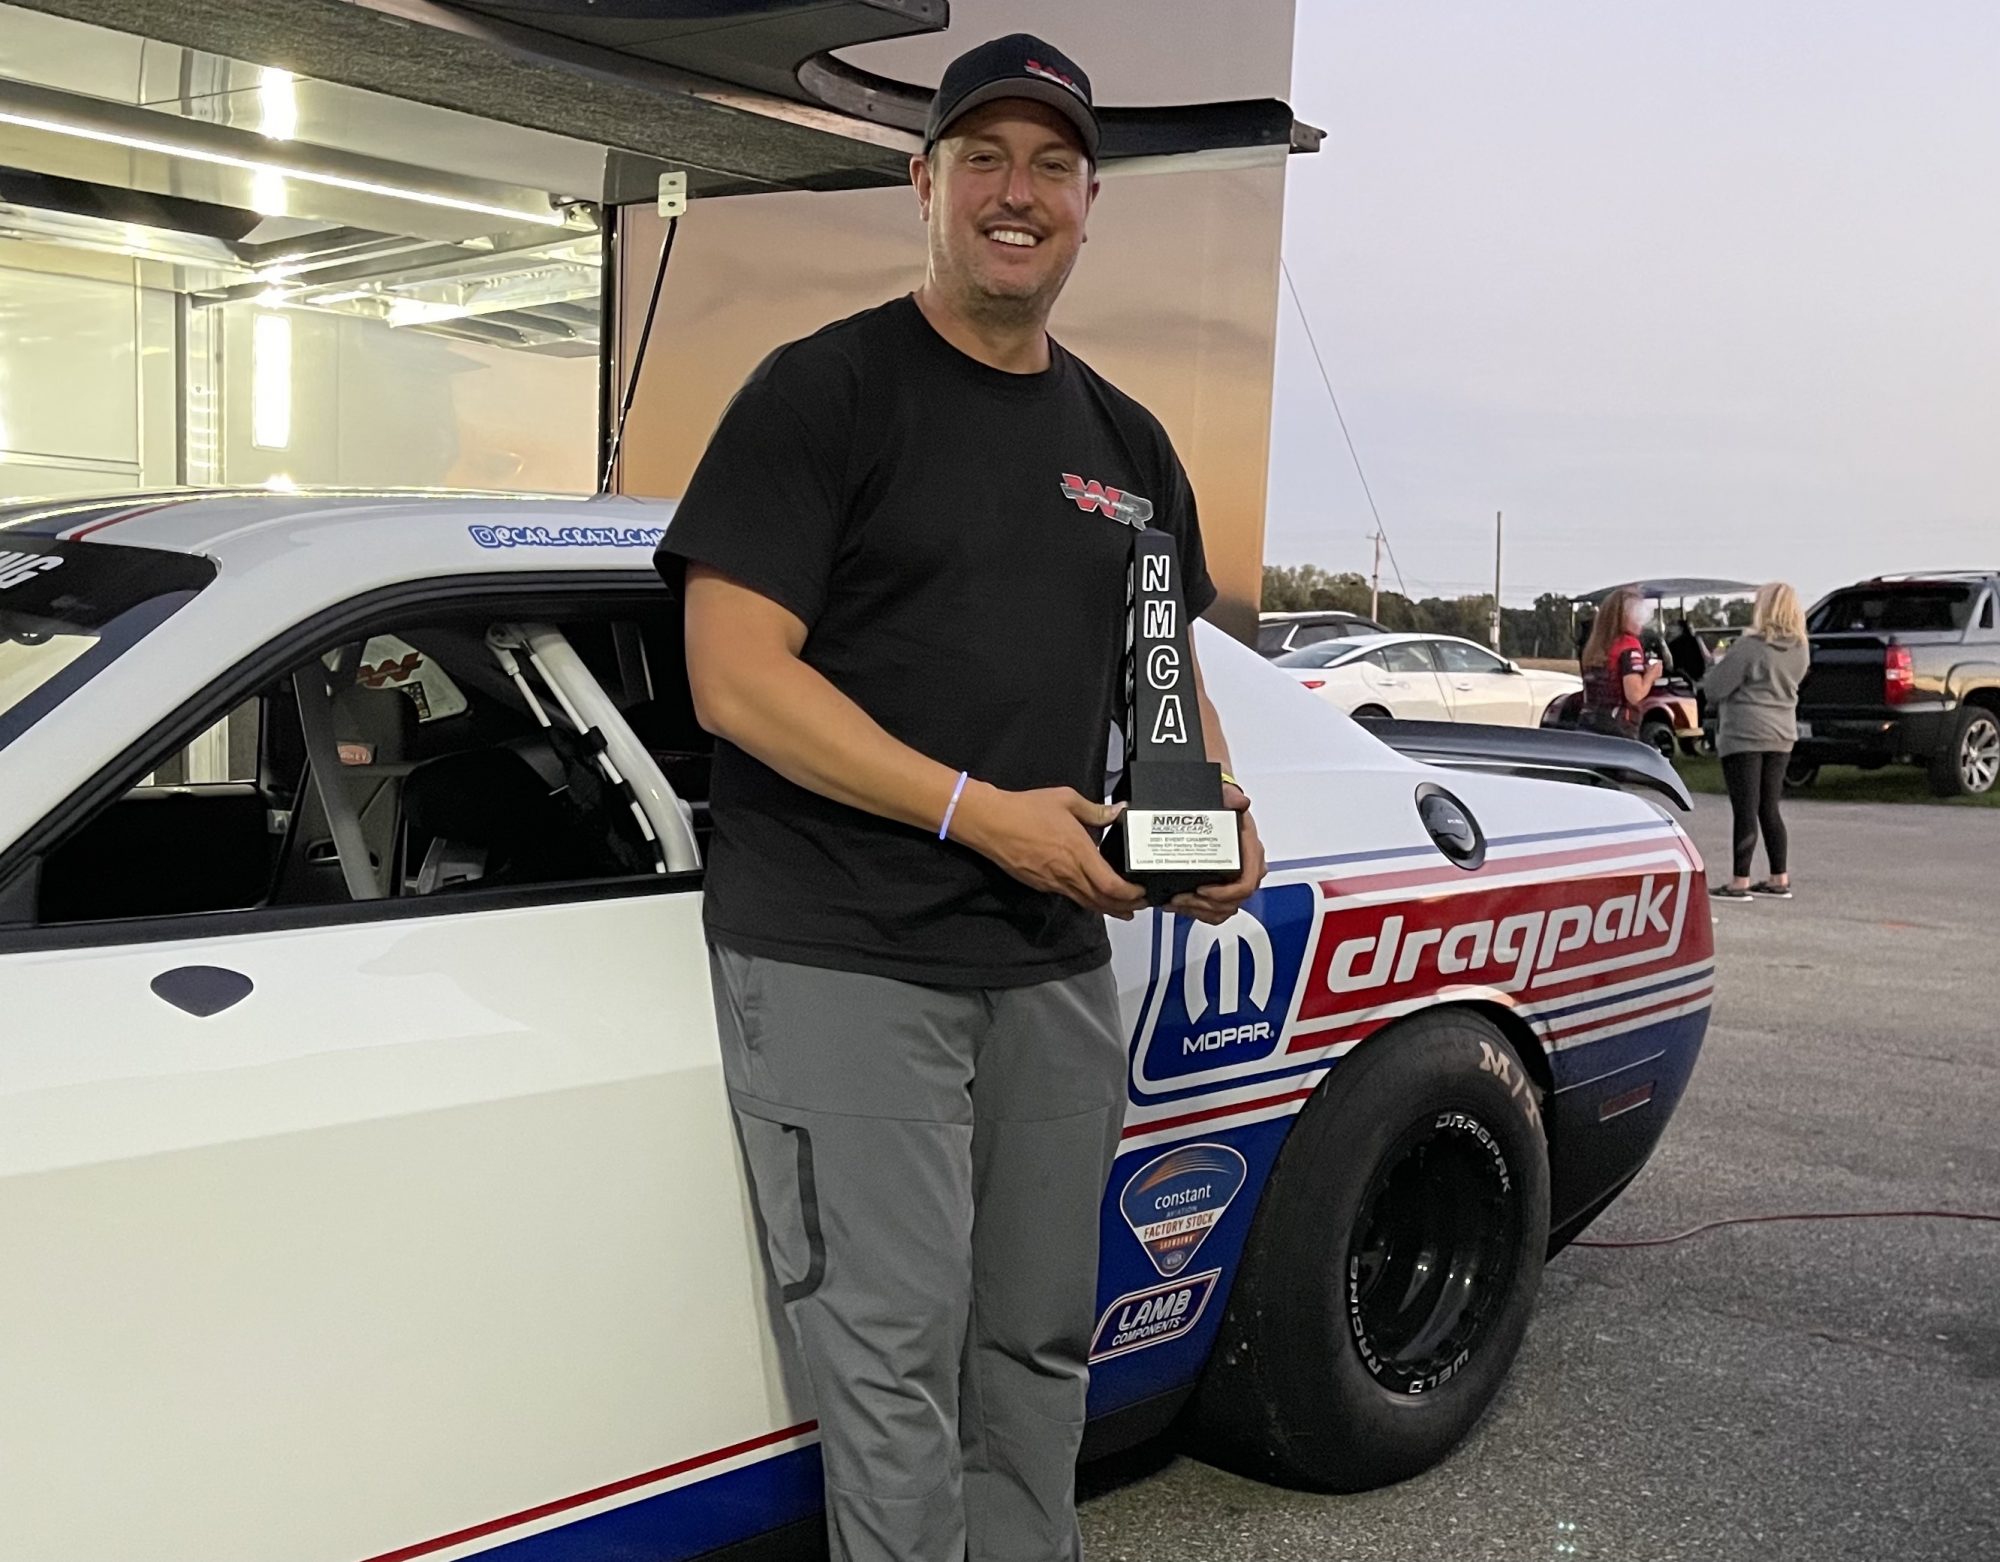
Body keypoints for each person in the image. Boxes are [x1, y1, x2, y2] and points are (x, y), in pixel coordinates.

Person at [653, 33, 1267, 1562]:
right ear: (922, 185)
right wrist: (975, 809)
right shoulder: (825, 392)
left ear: (1088, 203)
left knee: (1040, 1349)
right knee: (896, 1365)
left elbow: (1161, 685)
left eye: (1053, 165)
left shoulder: (1128, 446)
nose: (1019, 192)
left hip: (1051, 958)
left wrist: (1222, 815)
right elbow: (735, 676)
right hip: (846, 953)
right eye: (983, 159)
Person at [1702, 581, 1810, 901]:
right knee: (1769, 806)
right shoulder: (1800, 648)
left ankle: (1740, 881)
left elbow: (1715, 688)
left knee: (1745, 807)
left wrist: (1719, 663)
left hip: (1745, 733)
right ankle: (1779, 876)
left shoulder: (1749, 646)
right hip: (1781, 734)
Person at [1577, 584, 1668, 738]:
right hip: (1618, 728)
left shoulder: (1595, 645)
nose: (1642, 620)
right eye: (1639, 613)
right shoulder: (1629, 644)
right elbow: (1635, 694)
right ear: (1626, 616)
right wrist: (1650, 676)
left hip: (1589, 723)